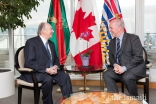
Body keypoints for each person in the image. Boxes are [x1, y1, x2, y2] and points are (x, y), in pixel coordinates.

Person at [20, 22, 72, 104]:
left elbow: (56, 58)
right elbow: (30, 62)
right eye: (51, 29)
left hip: (51, 71)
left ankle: (68, 101)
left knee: (65, 77)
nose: (53, 31)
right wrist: (46, 70)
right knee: (48, 79)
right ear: (43, 30)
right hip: (37, 72)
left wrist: (55, 66)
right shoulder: (31, 42)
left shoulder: (51, 43)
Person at [103, 19, 146, 97]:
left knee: (127, 77)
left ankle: (134, 100)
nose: (110, 30)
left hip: (134, 68)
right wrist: (115, 65)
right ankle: (115, 99)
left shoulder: (133, 38)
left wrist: (124, 68)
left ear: (119, 28)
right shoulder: (112, 42)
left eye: (111, 28)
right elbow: (111, 57)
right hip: (120, 69)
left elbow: (138, 57)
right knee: (107, 74)